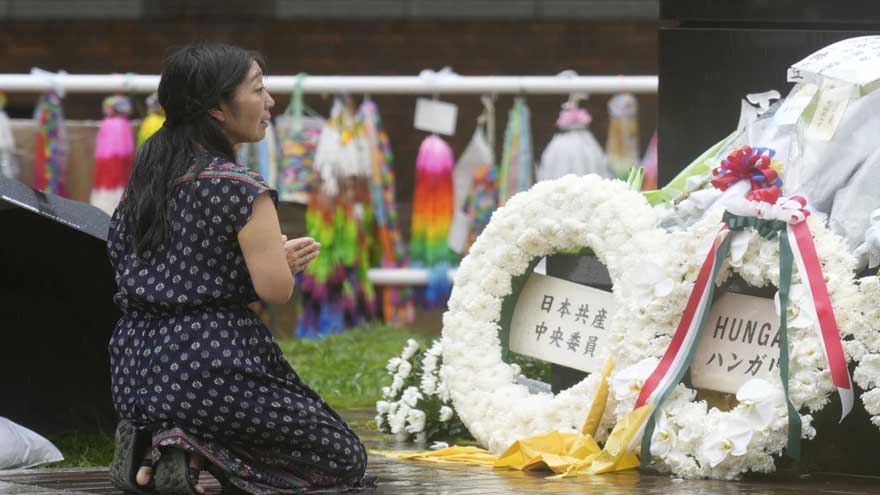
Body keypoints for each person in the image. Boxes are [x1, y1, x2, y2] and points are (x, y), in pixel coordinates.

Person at [107, 42, 371, 495]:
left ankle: (164, 442)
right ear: (216, 108)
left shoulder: (142, 187)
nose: (270, 103)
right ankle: (186, 440)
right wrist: (282, 264)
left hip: (134, 367)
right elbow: (275, 292)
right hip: (210, 366)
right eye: (258, 90)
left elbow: (157, 271)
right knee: (343, 459)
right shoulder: (241, 189)